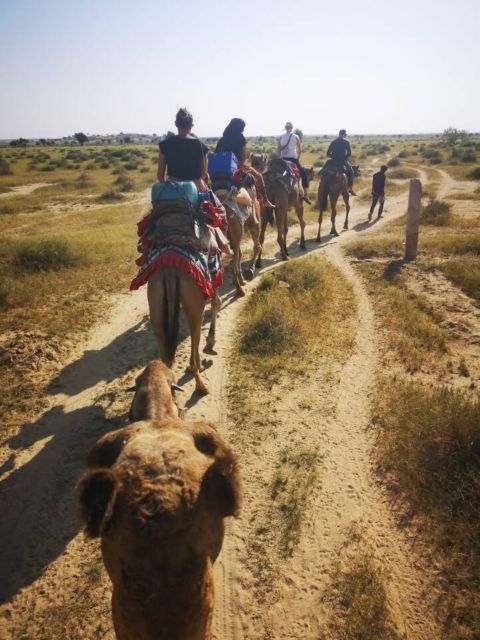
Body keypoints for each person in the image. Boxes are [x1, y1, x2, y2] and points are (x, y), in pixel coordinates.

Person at [216, 118, 274, 208]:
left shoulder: (222, 139)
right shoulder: (240, 138)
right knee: (259, 176)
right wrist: (239, 163)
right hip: (237, 167)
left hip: (220, 169)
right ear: (240, 128)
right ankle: (265, 201)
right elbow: (243, 156)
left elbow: (217, 154)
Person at [157, 108, 208, 190]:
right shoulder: (199, 145)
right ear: (191, 125)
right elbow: (203, 174)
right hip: (195, 188)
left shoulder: (165, 144)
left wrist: (167, 189)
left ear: (176, 124)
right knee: (214, 202)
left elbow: (160, 176)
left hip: (172, 187)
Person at [277, 122, 311, 204]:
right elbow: (299, 150)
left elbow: (278, 150)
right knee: (303, 174)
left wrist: (280, 158)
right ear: (292, 128)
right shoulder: (296, 137)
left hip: (282, 160)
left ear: (285, 128)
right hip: (293, 159)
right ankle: (306, 195)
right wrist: (297, 159)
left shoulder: (280, 137)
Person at [327, 129, 356, 195]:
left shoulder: (333, 142)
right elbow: (349, 154)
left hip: (333, 161)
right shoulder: (346, 142)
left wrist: (334, 157)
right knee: (351, 172)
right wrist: (343, 158)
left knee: (324, 170)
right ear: (344, 134)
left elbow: (328, 153)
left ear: (339, 134)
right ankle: (350, 188)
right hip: (342, 161)